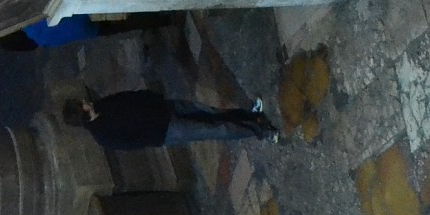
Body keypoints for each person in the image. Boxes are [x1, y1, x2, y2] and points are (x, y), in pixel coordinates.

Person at [62, 89, 275, 148]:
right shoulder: (103, 135)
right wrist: (155, 132)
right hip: (165, 130)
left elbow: (127, 97)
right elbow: (134, 142)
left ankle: (252, 116)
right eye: (82, 103)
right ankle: (261, 130)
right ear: (82, 112)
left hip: (165, 108)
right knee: (215, 129)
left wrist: (153, 97)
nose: (86, 101)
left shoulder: (102, 105)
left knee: (211, 113)